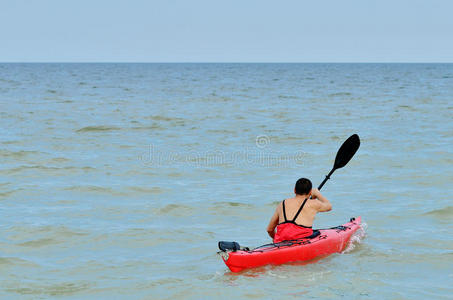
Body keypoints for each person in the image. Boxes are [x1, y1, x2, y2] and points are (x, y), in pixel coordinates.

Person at [266, 178, 332, 243]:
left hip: (281, 240)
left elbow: (270, 229)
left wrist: (276, 240)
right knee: (317, 233)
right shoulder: (314, 203)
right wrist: (317, 194)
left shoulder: (282, 203)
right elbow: (329, 206)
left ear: (294, 190)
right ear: (310, 192)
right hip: (301, 240)